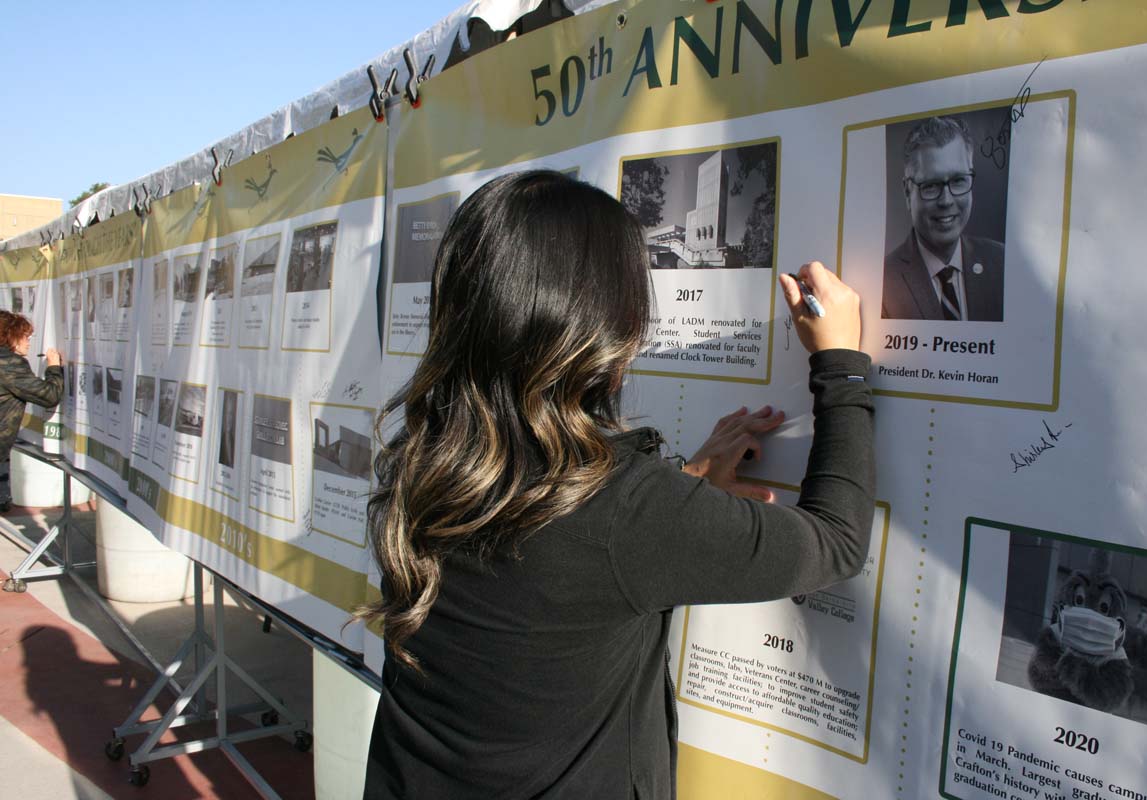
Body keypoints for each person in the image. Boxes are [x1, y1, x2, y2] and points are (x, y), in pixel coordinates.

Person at [361, 171, 874, 799]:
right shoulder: (624, 513)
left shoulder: (422, 462)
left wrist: (678, 486)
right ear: (604, 324)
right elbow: (837, 542)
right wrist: (841, 366)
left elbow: (551, 565)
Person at [882, 115, 1004, 321]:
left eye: (958, 181)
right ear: (907, 192)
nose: (946, 201)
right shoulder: (882, 280)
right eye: (930, 185)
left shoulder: (1002, 264)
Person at [0, 311, 64, 512]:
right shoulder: (10, 365)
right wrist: (54, 368)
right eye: (25, 337)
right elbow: (49, 395)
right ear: (11, 337)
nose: (28, 342)